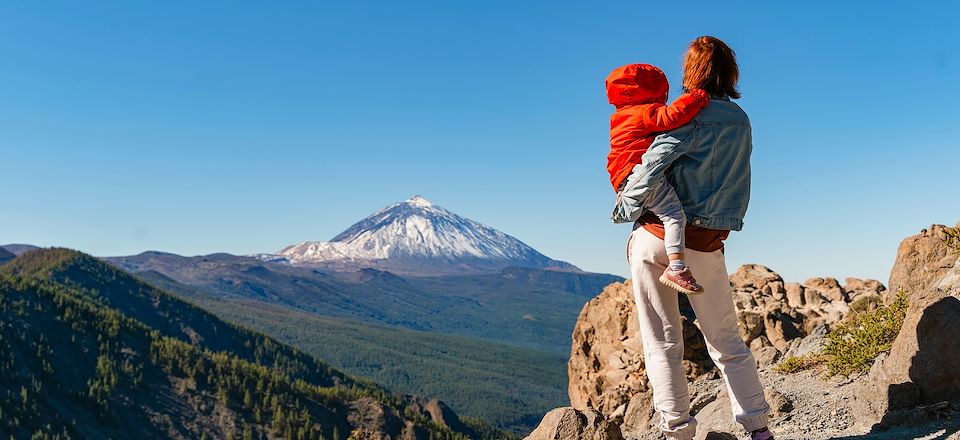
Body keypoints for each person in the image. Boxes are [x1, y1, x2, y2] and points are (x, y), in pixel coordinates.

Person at [617, 36, 775, 440]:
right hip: (705, 243)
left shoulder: (687, 115)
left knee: (662, 345)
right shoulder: (740, 120)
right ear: (730, 72)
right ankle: (758, 429)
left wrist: (625, 206)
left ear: (692, 71)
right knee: (727, 343)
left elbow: (649, 167)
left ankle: (678, 433)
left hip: (654, 235)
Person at [606, 63, 709, 294]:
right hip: (637, 174)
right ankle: (677, 267)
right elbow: (671, 117)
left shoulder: (620, 117)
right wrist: (696, 97)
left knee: (656, 210)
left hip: (623, 175)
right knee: (674, 214)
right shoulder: (642, 113)